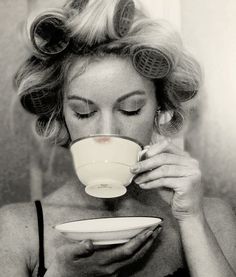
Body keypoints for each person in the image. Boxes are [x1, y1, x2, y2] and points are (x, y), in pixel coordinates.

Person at [0, 0, 236, 276]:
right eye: (84, 112)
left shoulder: (211, 217)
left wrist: (191, 219)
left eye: (130, 109)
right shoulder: (16, 228)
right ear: (61, 114)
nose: (107, 131)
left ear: (159, 107)